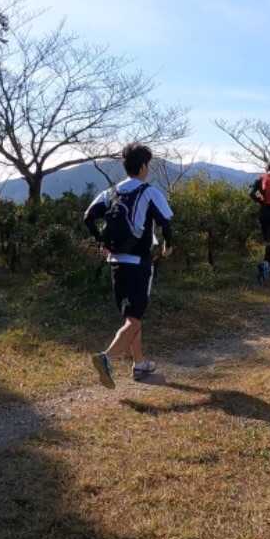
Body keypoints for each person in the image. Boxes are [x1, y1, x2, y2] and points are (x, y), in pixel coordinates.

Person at [85, 143, 174, 388]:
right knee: (134, 318)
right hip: (138, 263)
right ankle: (106, 358)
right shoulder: (149, 191)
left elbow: (88, 217)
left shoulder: (111, 192)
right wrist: (168, 246)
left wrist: (101, 241)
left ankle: (139, 364)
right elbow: (166, 223)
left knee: (131, 316)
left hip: (115, 262)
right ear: (143, 166)